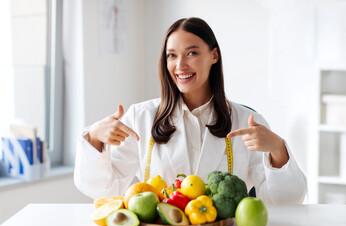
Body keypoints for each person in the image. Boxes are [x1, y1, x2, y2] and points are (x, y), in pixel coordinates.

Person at [74, 17, 307, 204]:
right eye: (171, 55)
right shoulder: (140, 118)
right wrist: (95, 137)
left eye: (192, 53)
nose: (180, 65)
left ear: (213, 55)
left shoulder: (246, 122)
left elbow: (286, 200)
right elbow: (103, 189)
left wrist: (277, 149)